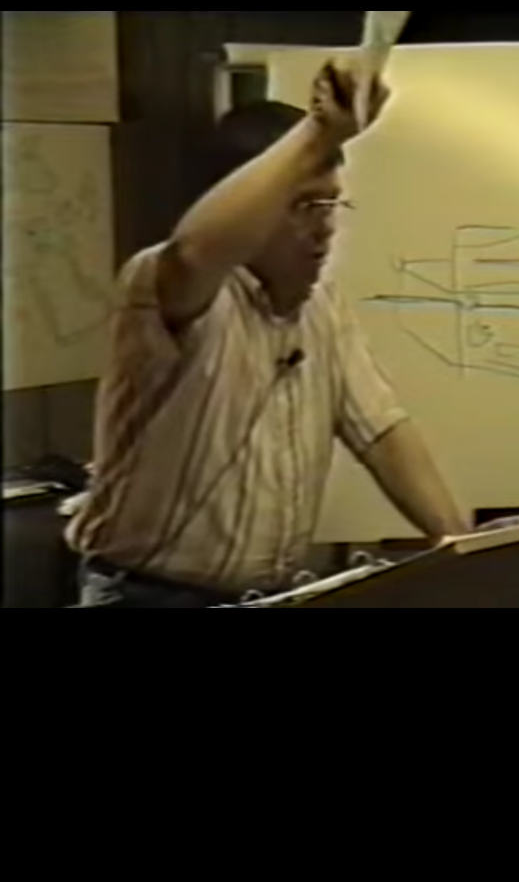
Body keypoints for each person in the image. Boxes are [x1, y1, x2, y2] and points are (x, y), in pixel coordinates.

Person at [67, 61, 472, 607]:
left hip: (267, 596)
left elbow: (381, 430)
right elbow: (194, 251)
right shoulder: (169, 287)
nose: (325, 226)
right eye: (303, 206)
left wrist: (459, 544)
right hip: (147, 595)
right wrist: (320, 131)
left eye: (330, 203)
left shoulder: (322, 305)